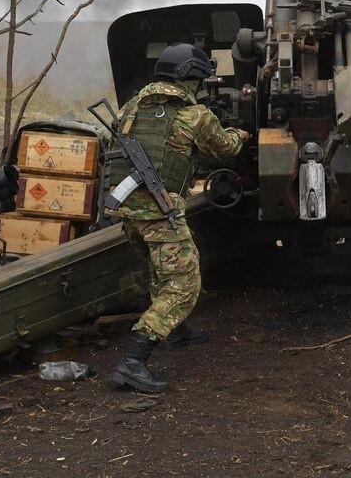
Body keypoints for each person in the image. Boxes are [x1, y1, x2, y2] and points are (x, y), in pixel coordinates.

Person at [106, 42, 249, 393]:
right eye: (199, 81)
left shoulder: (131, 108)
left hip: (128, 210)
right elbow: (225, 149)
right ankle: (133, 361)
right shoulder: (193, 116)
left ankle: (177, 331)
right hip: (159, 210)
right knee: (184, 284)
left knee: (160, 270)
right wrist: (239, 131)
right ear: (189, 78)